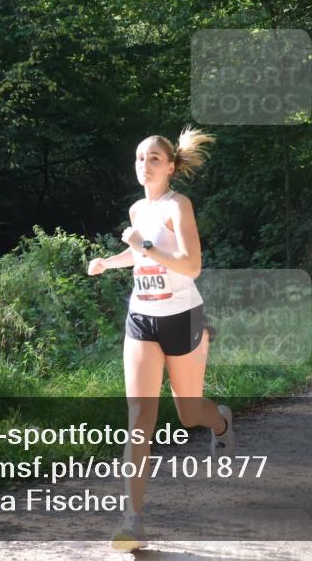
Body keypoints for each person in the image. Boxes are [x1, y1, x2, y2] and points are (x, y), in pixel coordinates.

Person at [87, 127, 232, 551]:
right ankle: (132, 520)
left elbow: (191, 266)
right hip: (142, 318)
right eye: (139, 158)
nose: (144, 165)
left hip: (183, 317)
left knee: (189, 414)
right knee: (139, 419)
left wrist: (144, 245)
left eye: (153, 158)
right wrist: (110, 262)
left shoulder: (177, 205)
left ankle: (220, 422)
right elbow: (137, 253)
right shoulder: (137, 210)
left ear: (170, 167)